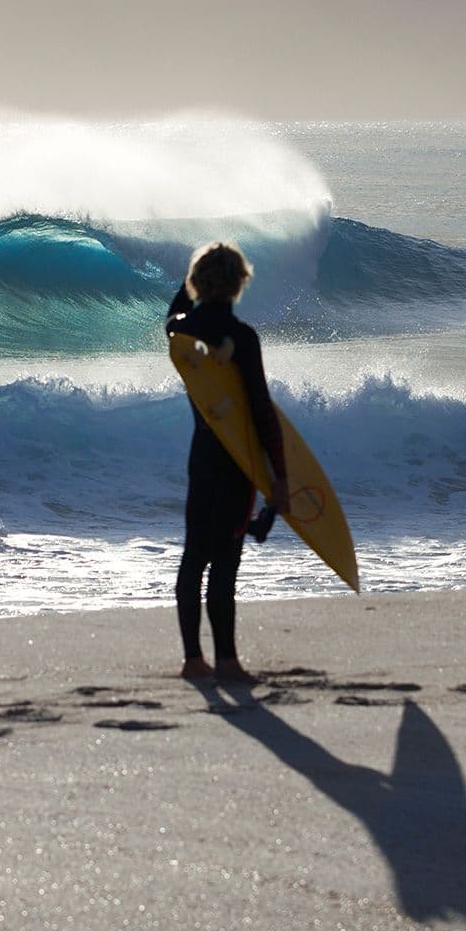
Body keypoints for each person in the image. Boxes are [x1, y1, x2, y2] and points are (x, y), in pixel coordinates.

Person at [165, 241, 289, 684]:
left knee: (194, 557)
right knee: (226, 563)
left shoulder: (181, 333)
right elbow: (260, 410)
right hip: (238, 463)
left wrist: (191, 279)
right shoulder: (244, 340)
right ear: (240, 283)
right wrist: (280, 477)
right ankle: (229, 662)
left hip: (202, 460)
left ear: (198, 283)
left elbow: (172, 314)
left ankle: (192, 659)